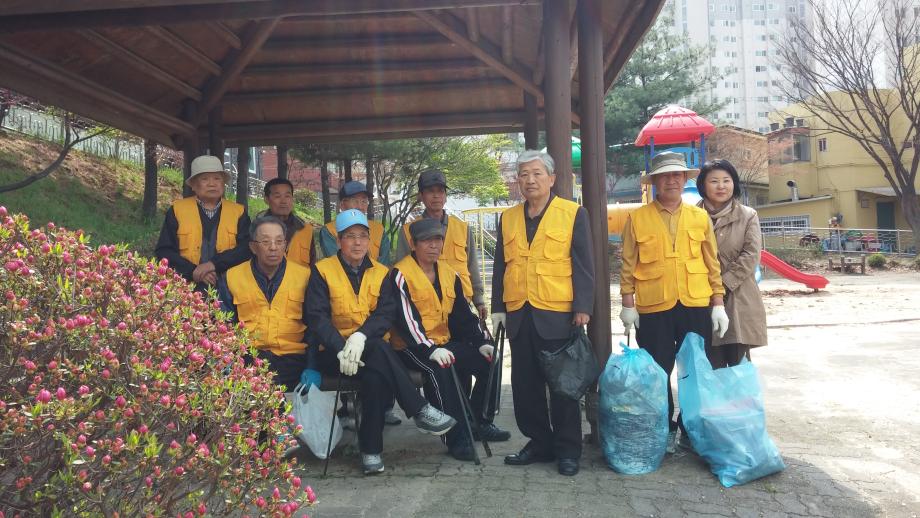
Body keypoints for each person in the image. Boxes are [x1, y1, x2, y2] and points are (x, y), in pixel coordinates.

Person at [305, 209, 456, 474]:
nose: (357, 243)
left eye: (363, 236)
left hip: (371, 351)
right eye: (350, 236)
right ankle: (418, 410)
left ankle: (371, 451)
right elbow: (317, 318)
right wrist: (343, 349)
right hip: (334, 355)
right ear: (339, 240)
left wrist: (360, 338)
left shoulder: (383, 273)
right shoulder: (322, 271)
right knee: (380, 353)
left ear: (370, 241)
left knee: (375, 372)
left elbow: (386, 313)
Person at [490, 150, 595, 477]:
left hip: (558, 313)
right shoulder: (507, 218)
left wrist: (582, 307)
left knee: (563, 387)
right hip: (520, 314)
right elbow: (500, 267)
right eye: (523, 174)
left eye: (537, 173)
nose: (530, 180)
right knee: (525, 386)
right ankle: (539, 442)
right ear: (517, 181)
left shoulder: (572, 213)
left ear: (551, 178)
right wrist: (498, 309)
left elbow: (583, 264)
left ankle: (568, 450)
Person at [618, 151, 729, 452]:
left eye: (676, 175)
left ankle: (690, 427)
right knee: (657, 370)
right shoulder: (637, 219)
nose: (671, 181)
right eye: (665, 176)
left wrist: (717, 303)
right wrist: (628, 304)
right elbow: (628, 265)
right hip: (654, 305)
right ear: (654, 182)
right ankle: (663, 428)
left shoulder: (699, 216)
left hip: (695, 302)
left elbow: (712, 262)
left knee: (695, 368)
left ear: (684, 180)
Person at [391, 219, 511, 462]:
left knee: (490, 360)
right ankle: (457, 438)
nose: (433, 246)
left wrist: (481, 342)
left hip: (443, 341)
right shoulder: (399, 274)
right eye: (426, 241)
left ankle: (480, 421)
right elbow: (406, 322)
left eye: (438, 240)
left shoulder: (448, 272)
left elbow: (463, 316)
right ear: (414, 244)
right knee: (441, 369)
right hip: (411, 346)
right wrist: (430, 349)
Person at [217, 215, 313, 392]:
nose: (273, 248)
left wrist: (313, 365)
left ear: (285, 245)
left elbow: (315, 325)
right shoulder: (232, 277)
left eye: (279, 241)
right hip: (248, 357)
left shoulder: (305, 276)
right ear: (253, 247)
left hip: (292, 358)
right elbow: (223, 325)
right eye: (266, 242)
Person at [696, 159, 767, 367]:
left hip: (739, 295)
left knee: (738, 363)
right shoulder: (691, 215)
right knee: (710, 363)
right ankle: (714, 402)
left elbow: (751, 254)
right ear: (703, 185)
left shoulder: (748, 215)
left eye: (726, 180)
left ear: (734, 183)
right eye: (714, 181)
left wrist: (724, 284)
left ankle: (741, 401)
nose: (721, 186)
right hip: (702, 295)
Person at [394, 169, 488, 320]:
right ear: (421, 196)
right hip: (424, 309)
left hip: (462, 304)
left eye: (440, 191)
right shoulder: (408, 231)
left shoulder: (463, 228)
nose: (436, 195)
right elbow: (400, 272)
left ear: (445, 196)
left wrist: (479, 301)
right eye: (430, 191)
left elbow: (472, 266)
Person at [155, 155, 251, 290]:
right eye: (205, 179)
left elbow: (246, 248)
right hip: (186, 287)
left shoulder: (238, 212)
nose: (212, 183)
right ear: (194, 185)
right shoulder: (177, 210)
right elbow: (164, 251)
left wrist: (213, 265)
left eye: (217, 178)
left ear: (223, 183)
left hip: (230, 288)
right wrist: (193, 271)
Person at [318, 181, 390, 265]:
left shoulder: (378, 229)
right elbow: (336, 263)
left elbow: (384, 264)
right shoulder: (329, 230)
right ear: (342, 205)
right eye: (354, 201)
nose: (360, 206)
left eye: (364, 201)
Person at [260, 178, 316, 268]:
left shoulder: (306, 229)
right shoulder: (256, 229)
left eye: (287, 196)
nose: (283, 201)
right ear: (266, 199)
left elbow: (312, 264)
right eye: (277, 196)